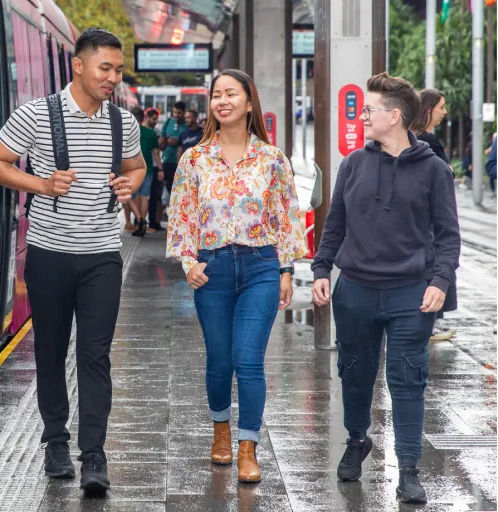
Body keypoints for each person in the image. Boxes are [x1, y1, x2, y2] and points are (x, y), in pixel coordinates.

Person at [0, 28, 146, 493]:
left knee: (95, 355)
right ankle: (55, 440)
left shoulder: (123, 122)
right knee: (51, 353)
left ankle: (94, 454)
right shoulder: (36, 114)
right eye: (105, 68)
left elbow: (136, 166)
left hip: (101, 258)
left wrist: (130, 183)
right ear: (79, 65)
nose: (113, 77)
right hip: (49, 256)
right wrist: (40, 184)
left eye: (118, 70)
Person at [311, 73, 460, 505]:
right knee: (355, 375)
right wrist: (322, 269)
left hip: (410, 294)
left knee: (407, 380)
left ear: (394, 117)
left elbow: (448, 236)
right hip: (355, 289)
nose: (362, 116)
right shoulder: (353, 164)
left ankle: (409, 469)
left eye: (370, 109)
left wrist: (439, 281)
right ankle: (358, 439)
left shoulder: (434, 171)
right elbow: (334, 224)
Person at [166, 69, 306, 484]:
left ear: (249, 102)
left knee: (249, 360)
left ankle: (248, 447)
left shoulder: (271, 159)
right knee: (219, 360)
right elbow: (181, 215)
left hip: (261, 265)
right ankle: (220, 431)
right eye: (216, 95)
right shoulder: (194, 158)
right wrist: (189, 262)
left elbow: (286, 217)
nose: (222, 100)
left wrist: (285, 270)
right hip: (213, 269)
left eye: (231, 94)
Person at [409, 89, 457, 342]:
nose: (444, 112)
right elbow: (445, 174)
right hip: (429, 221)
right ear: (428, 109)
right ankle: (432, 319)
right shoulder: (429, 142)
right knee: (437, 259)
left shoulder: (412, 139)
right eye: (441, 106)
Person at [151, 101, 186, 230]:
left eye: (179, 113)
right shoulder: (168, 122)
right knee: (163, 193)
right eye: (175, 112)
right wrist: (166, 140)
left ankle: (179, 223)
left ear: (183, 112)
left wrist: (178, 142)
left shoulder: (186, 124)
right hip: (167, 160)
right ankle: (157, 222)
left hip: (181, 164)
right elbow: (161, 142)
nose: (176, 115)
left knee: (179, 194)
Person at [129, 106, 160, 237]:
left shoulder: (128, 132)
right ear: (143, 118)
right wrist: (161, 169)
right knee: (144, 196)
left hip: (132, 169)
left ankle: (139, 219)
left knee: (129, 196)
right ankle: (143, 220)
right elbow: (156, 154)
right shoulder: (151, 133)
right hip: (148, 169)